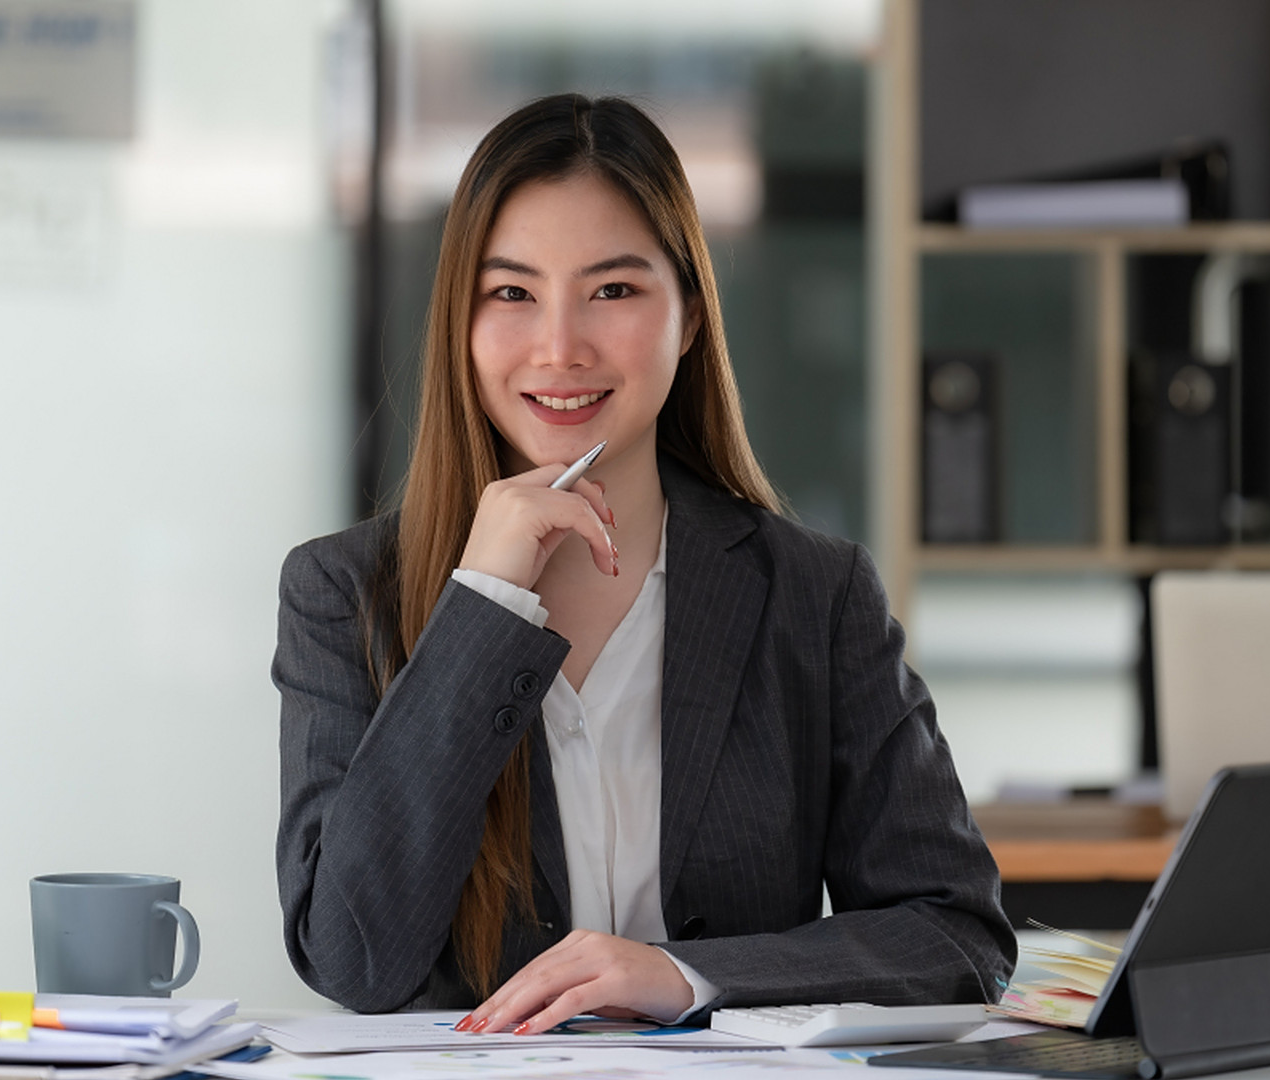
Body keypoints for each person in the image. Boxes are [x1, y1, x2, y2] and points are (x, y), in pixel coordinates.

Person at [273, 93, 1014, 1034]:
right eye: (512, 293)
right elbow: (352, 960)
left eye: (613, 290)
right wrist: (485, 604)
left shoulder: (813, 596)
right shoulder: (343, 595)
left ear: (692, 318)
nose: (560, 346)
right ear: (459, 323)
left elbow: (958, 941)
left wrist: (683, 975)